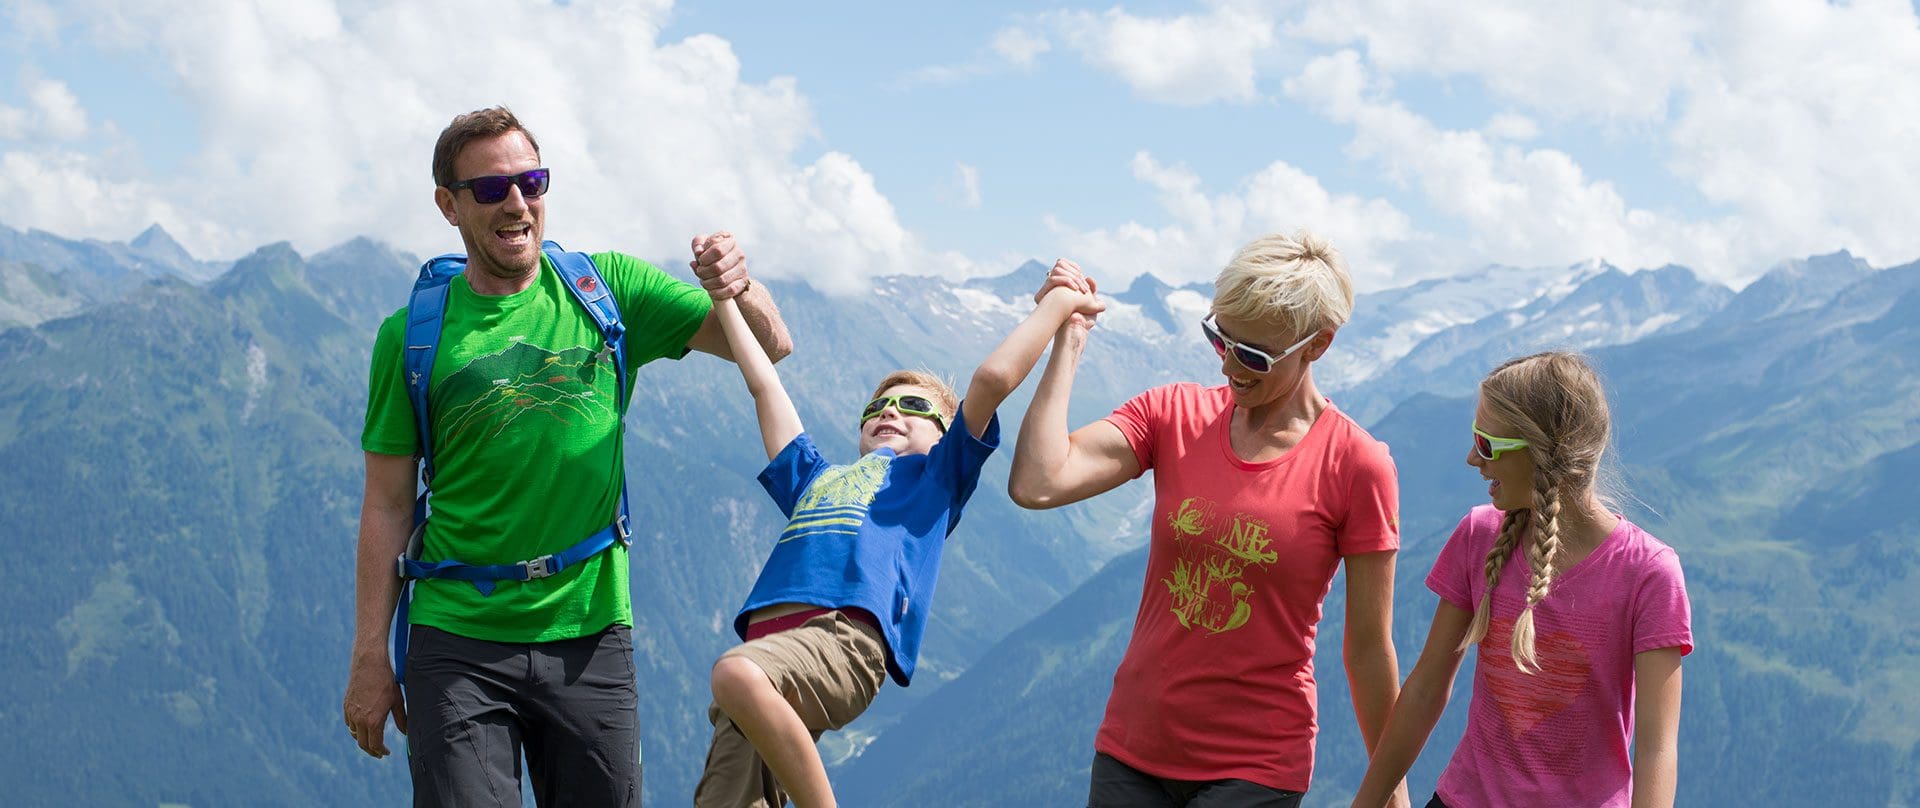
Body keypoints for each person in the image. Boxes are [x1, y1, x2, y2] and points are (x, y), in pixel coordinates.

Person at [342, 106, 793, 806]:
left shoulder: (607, 291)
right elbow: (389, 502)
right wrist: (372, 653)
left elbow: (767, 345)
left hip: (588, 627)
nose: (517, 203)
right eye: (491, 189)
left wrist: (738, 285)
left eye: (532, 181)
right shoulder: (409, 337)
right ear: (448, 206)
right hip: (456, 636)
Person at [1008, 234, 1407, 808]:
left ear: (1317, 345)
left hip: (1258, 763)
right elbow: (1038, 482)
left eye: (1253, 356)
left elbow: (1369, 649)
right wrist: (1068, 339)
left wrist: (1390, 792)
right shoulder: (1171, 414)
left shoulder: (1357, 465)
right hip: (1132, 747)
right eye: (1219, 337)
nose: (1227, 364)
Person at [692, 260, 1107, 808]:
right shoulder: (816, 479)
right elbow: (764, 385)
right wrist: (722, 296)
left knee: (735, 675)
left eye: (914, 406)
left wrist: (1057, 307)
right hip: (772, 655)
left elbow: (989, 382)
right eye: (877, 406)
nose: (890, 411)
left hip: (841, 643)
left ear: (945, 433)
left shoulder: (935, 478)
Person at [1349, 352, 1691, 808]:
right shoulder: (1479, 535)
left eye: (1487, 444)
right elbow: (1426, 688)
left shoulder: (1649, 574)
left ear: (1542, 452)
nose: (1472, 459)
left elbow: (1657, 748)